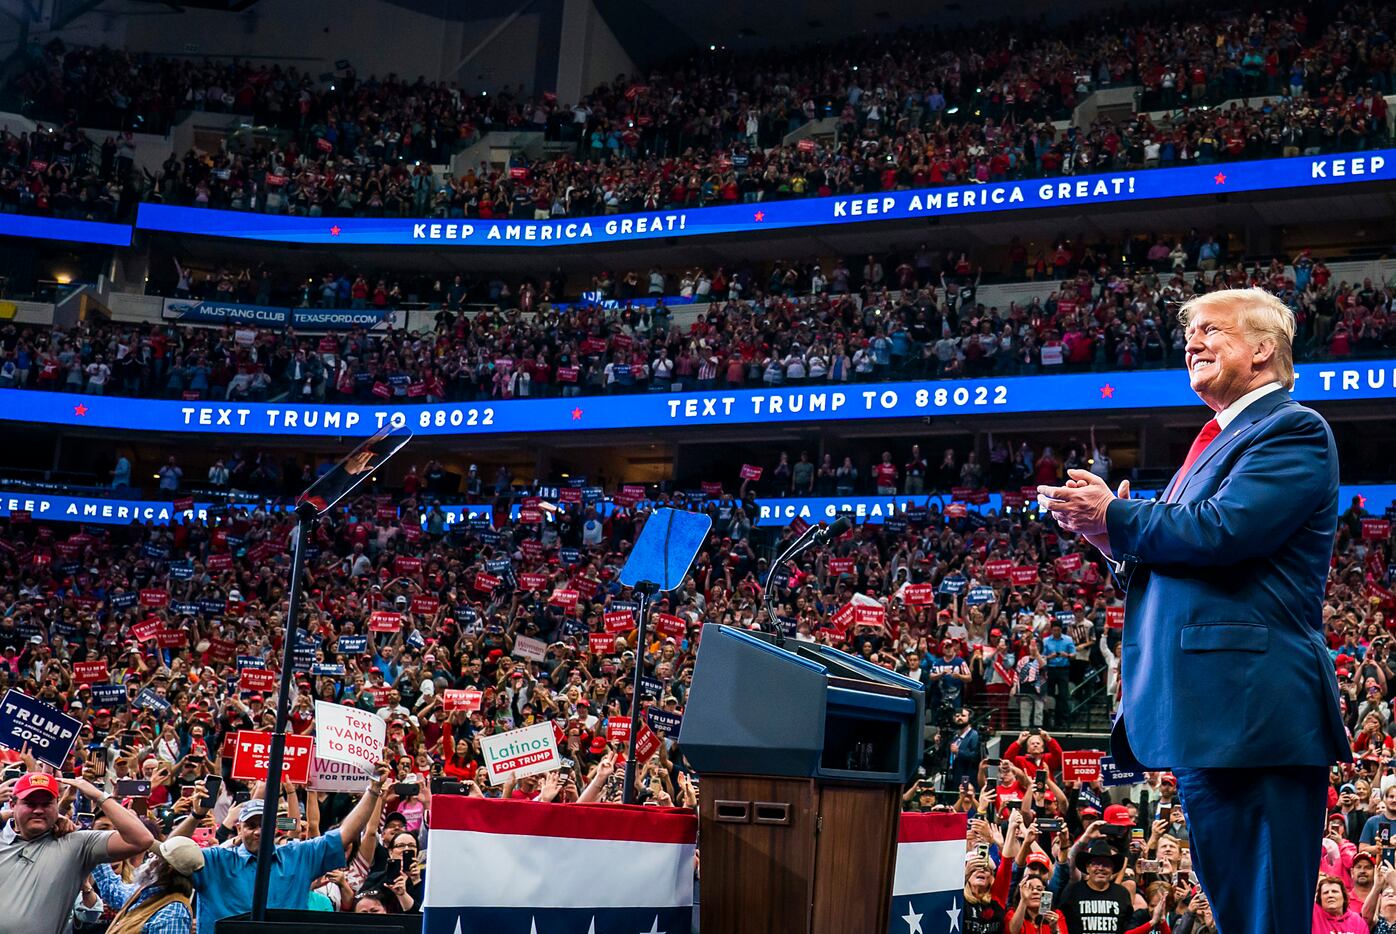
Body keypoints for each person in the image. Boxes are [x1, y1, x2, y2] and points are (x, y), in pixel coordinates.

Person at [1039, 287, 1350, 934]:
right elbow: (1189, 559)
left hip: (1256, 715)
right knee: (1241, 915)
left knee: (1266, 917)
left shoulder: (1293, 429)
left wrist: (1117, 515)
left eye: (1214, 330)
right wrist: (1108, 537)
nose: (1194, 341)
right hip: (1214, 718)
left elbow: (1224, 531)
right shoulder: (1212, 444)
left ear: (1264, 349)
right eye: (1191, 333)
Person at [171, 771, 382, 932]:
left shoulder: (297, 856)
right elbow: (169, 854)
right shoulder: (217, 860)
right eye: (251, 825)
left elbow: (345, 834)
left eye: (264, 824)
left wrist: (373, 790)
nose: (258, 831)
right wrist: (196, 816)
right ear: (239, 828)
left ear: (275, 827)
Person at [0, 772, 155, 934]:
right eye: (30, 804)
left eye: (47, 804)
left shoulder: (77, 843)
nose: (39, 810)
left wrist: (99, 796)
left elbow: (142, 839)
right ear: (12, 804)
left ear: (56, 804)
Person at [89, 836, 204, 934]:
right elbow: (113, 890)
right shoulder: (149, 893)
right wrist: (93, 846)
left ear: (168, 869)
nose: (150, 857)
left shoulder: (172, 913)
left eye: (157, 857)